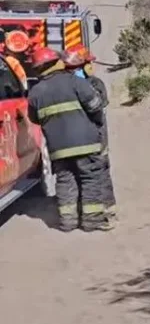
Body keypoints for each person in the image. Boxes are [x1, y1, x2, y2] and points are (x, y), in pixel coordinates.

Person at [26, 46, 110, 232]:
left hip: (58, 148)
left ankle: (68, 222)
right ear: (57, 62)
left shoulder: (35, 93)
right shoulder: (75, 82)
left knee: (65, 181)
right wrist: (95, 125)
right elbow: (96, 106)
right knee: (90, 179)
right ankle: (91, 221)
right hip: (86, 143)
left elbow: (33, 118)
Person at [62, 44, 116, 222]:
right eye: (89, 63)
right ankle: (101, 213)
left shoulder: (64, 86)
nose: (92, 67)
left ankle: (100, 210)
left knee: (79, 176)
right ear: (81, 65)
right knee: (97, 175)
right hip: (95, 138)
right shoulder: (93, 84)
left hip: (74, 140)